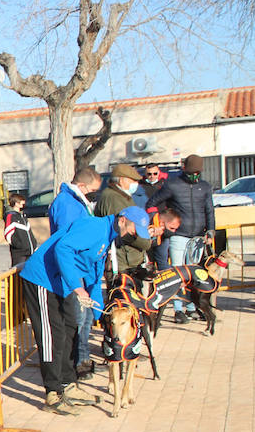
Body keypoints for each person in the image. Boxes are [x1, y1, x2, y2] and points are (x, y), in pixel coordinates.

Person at [19, 206, 150, 415]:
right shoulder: (95, 227)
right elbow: (63, 249)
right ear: (123, 220)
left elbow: (94, 278)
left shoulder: (107, 237)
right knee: (52, 336)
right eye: (134, 229)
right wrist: (77, 287)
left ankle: (68, 384)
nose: (134, 235)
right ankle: (53, 394)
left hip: (61, 284)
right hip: (42, 280)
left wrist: (102, 316)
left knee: (70, 330)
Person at [48, 167, 103, 377]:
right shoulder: (67, 204)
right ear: (81, 186)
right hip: (73, 269)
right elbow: (68, 240)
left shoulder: (78, 203)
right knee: (78, 318)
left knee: (86, 317)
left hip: (82, 267)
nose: (94, 194)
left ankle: (83, 358)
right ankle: (76, 363)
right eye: (92, 190)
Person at [150, 154, 215, 324]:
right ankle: (178, 309)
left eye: (197, 173)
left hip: (198, 237)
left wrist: (211, 230)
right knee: (178, 275)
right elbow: (152, 203)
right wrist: (163, 224)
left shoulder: (205, 186)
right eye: (191, 172)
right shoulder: (173, 184)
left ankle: (192, 307)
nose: (194, 176)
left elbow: (210, 210)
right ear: (184, 168)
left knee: (194, 275)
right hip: (178, 236)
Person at [95, 164, 152, 275]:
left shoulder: (123, 196)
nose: (136, 184)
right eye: (133, 181)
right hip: (122, 262)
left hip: (129, 259)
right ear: (121, 180)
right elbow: (123, 230)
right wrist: (145, 243)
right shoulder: (113, 198)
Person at [4, 193, 38, 266]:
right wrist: (19, 245)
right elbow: (8, 235)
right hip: (19, 253)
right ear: (16, 203)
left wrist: (34, 244)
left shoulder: (22, 216)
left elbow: (29, 232)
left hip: (30, 251)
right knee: (18, 273)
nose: (24, 203)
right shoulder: (11, 216)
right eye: (21, 201)